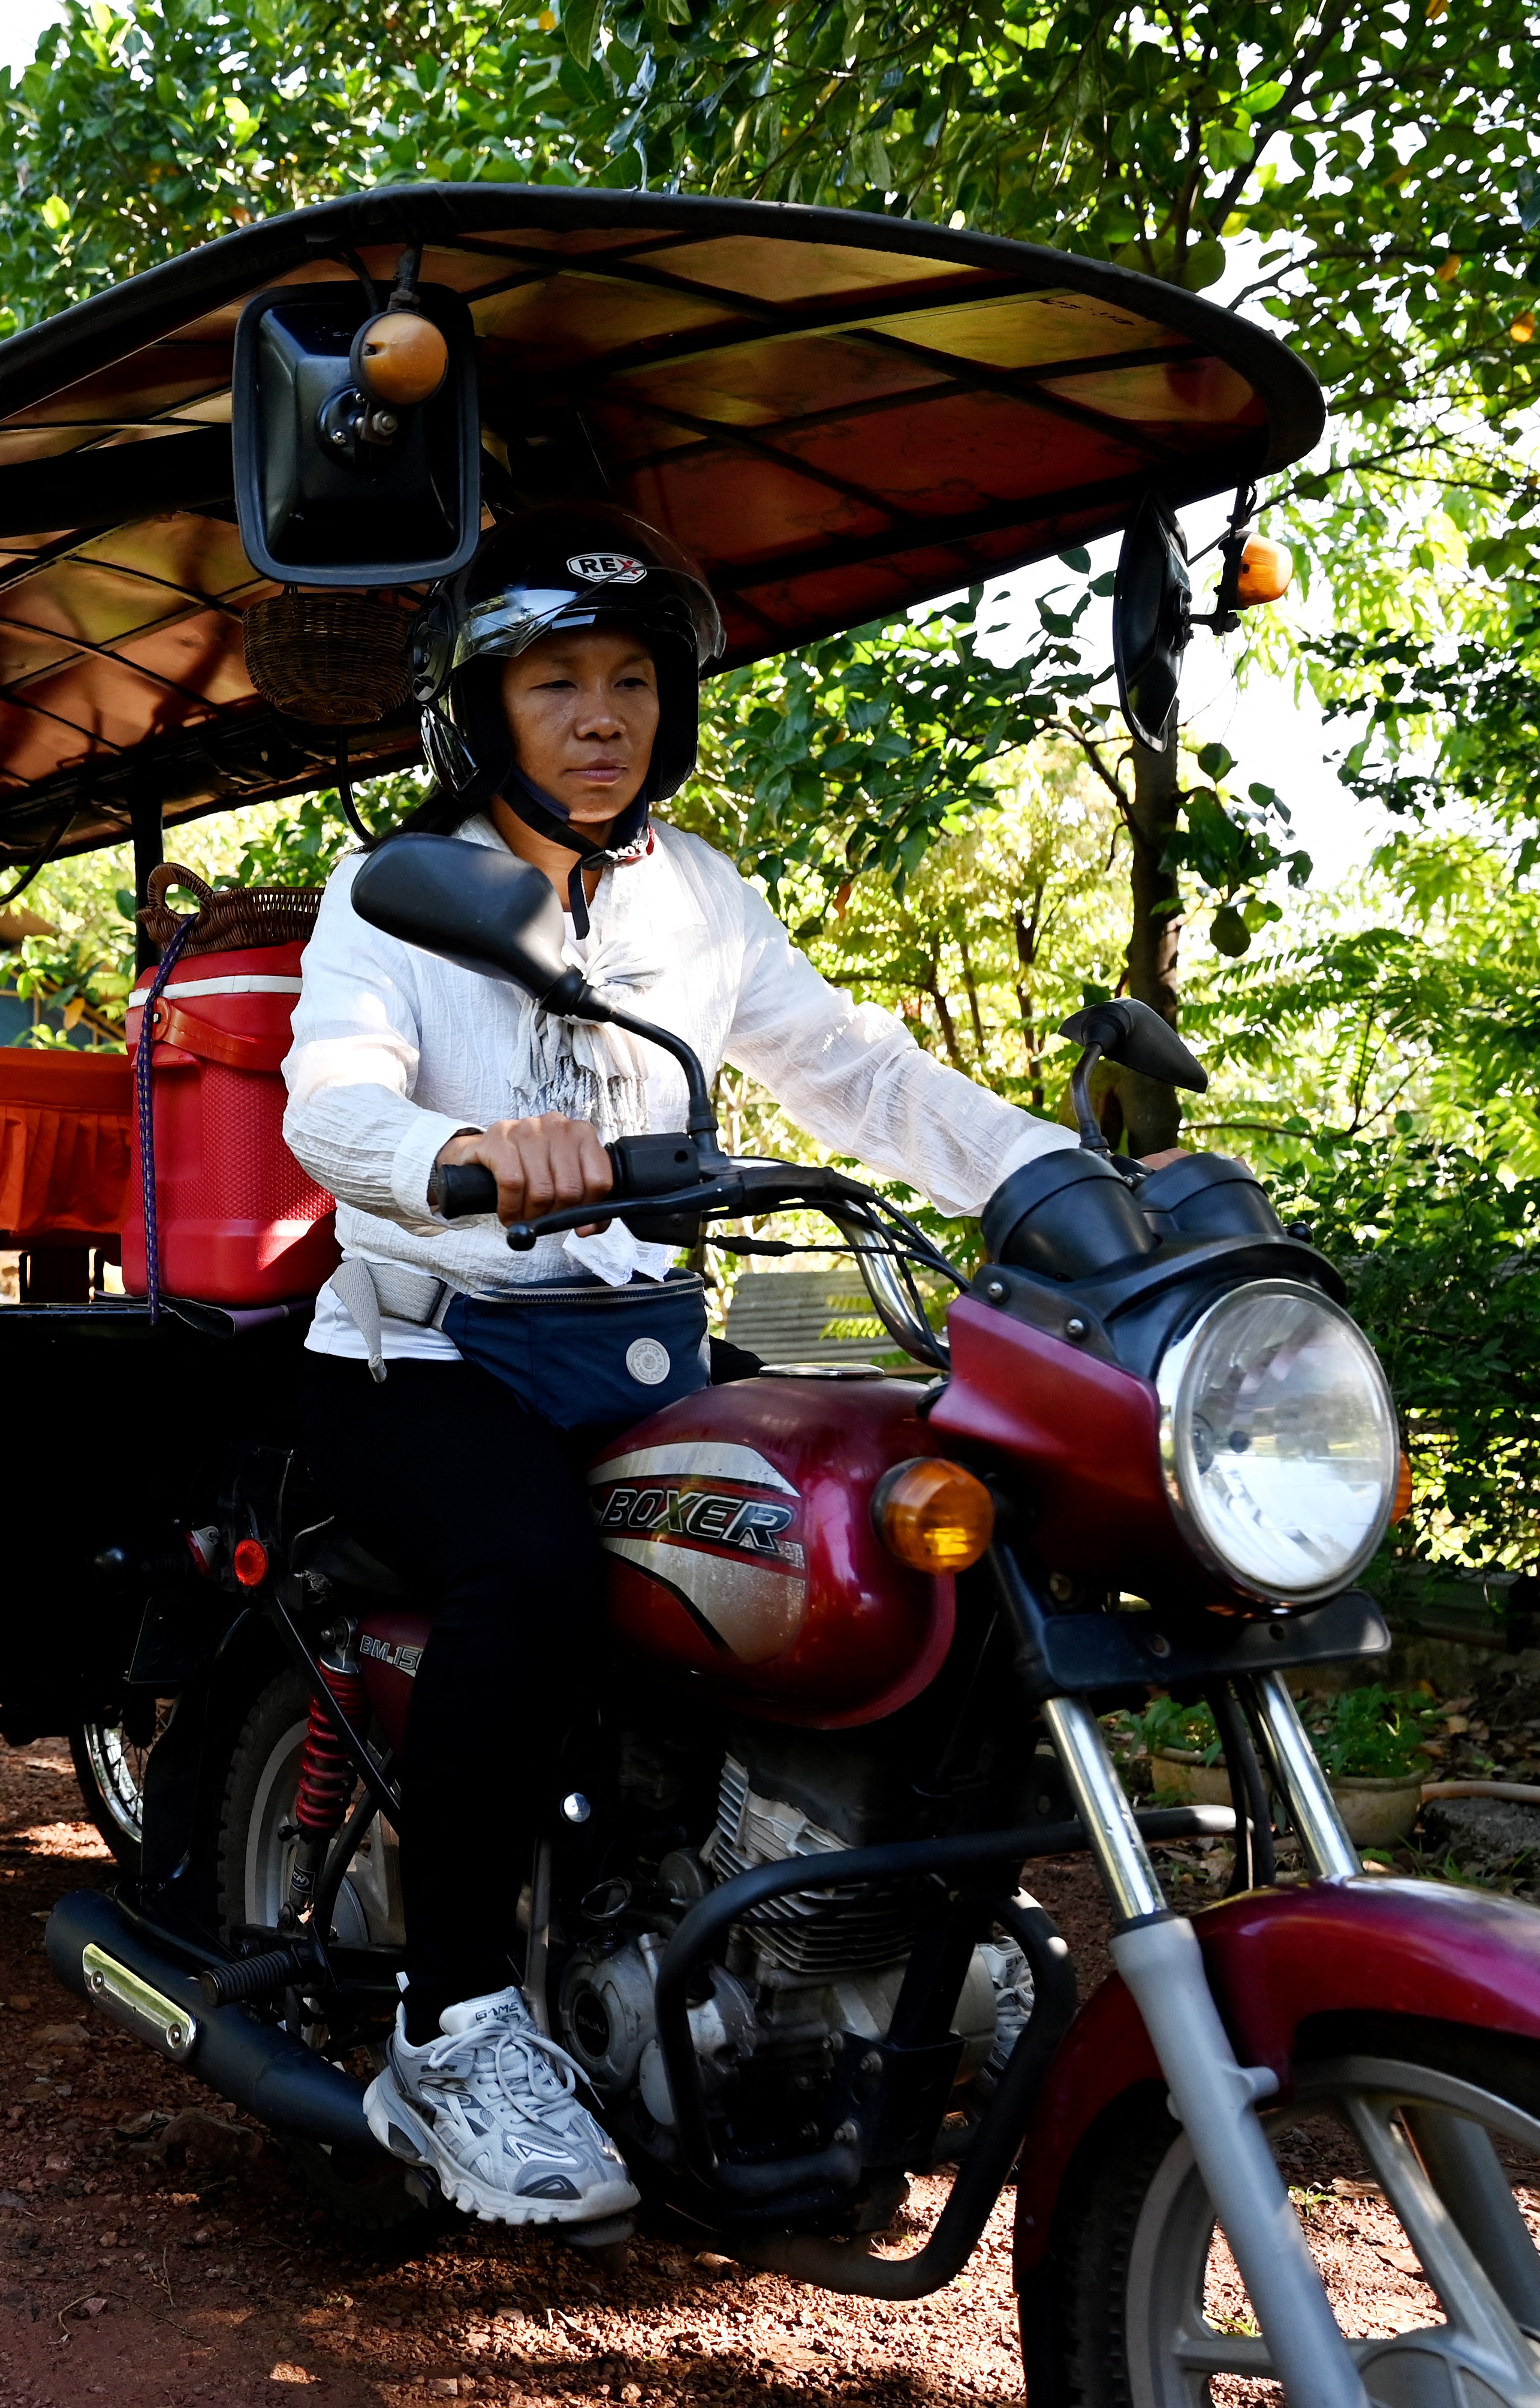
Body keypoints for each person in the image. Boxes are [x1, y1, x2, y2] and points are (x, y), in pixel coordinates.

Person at [279, 505, 1080, 2226]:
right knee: (532, 1568)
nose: (600, 714)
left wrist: (1050, 1184)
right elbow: (329, 1103)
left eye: (632, 679)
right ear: (480, 710)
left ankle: (889, 1940)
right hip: (419, 1358)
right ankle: (457, 2033)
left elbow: (852, 1071)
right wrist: (469, 1153)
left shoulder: (700, 897)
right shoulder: (397, 894)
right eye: (556, 679)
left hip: (628, 1353)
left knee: (905, 1521)